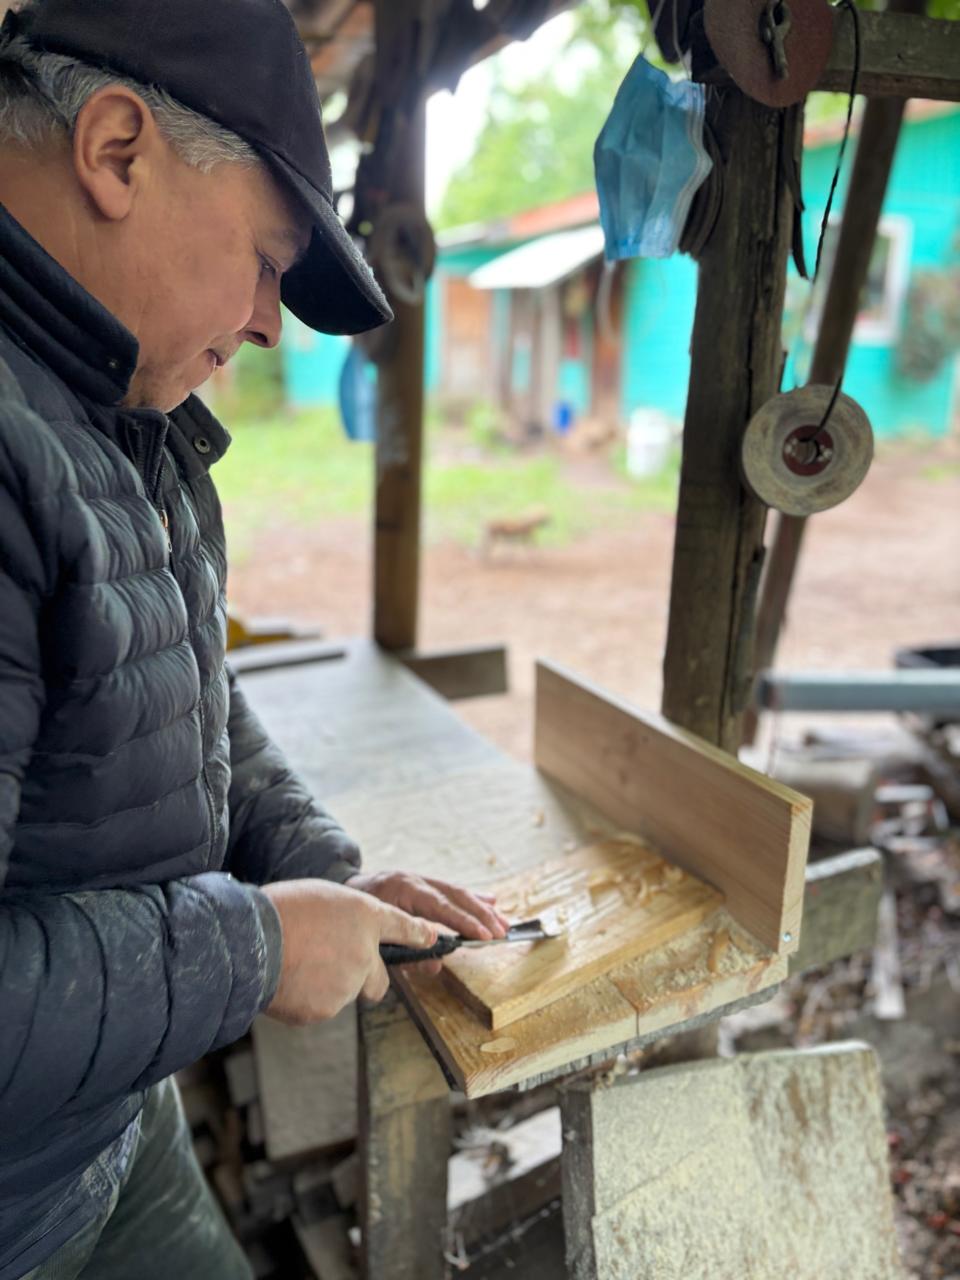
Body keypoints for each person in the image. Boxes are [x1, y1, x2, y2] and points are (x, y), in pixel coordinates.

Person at [0, 2, 509, 1276]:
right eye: (271, 257)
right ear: (117, 149)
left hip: (104, 1121)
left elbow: (179, 684)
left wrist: (313, 862)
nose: (275, 321)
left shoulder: (116, 401)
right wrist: (261, 942)